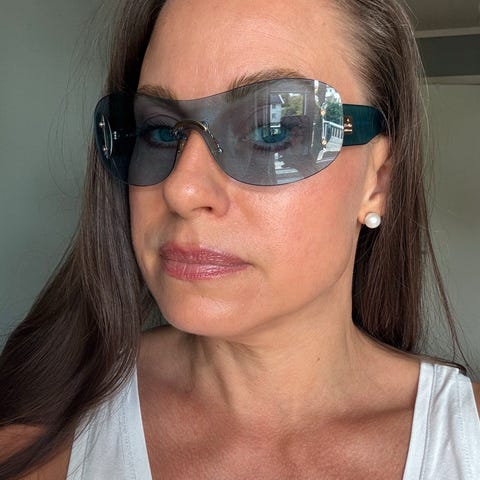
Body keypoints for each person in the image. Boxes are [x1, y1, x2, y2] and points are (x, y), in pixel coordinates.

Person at [1, 0, 479, 478]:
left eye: (271, 130)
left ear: (379, 180)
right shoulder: (33, 440)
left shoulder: (465, 441)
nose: (181, 189)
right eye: (160, 132)